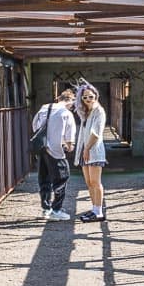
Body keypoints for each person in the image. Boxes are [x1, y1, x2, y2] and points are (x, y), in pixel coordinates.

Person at [33, 88, 76, 220]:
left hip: (42, 148)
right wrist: (69, 145)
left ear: (58, 98)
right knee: (62, 178)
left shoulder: (44, 107)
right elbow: (70, 132)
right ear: (70, 101)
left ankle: (46, 209)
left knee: (44, 179)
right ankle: (56, 209)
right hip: (56, 150)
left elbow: (35, 125)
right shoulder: (66, 113)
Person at [74, 82, 108, 222]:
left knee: (95, 181)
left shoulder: (98, 111)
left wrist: (87, 149)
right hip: (84, 150)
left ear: (96, 96)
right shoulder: (85, 113)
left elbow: (96, 133)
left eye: (91, 96)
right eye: (85, 97)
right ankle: (94, 208)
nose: (88, 99)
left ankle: (99, 212)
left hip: (93, 150)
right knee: (88, 182)